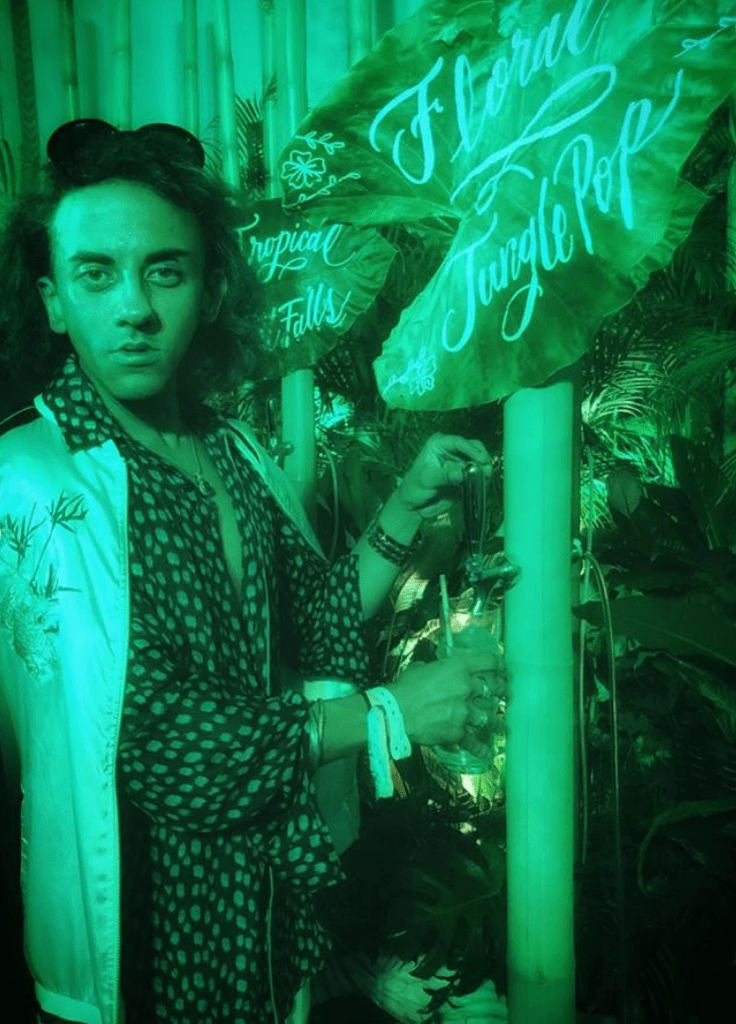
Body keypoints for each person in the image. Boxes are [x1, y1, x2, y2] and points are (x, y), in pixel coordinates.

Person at [0, 120, 507, 1024]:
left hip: (264, 886)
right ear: (53, 300)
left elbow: (316, 623)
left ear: (209, 288)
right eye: (96, 274)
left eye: (164, 271)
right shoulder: (34, 480)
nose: (134, 309)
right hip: (146, 916)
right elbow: (152, 738)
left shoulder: (231, 449)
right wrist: (388, 714)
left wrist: (406, 502)